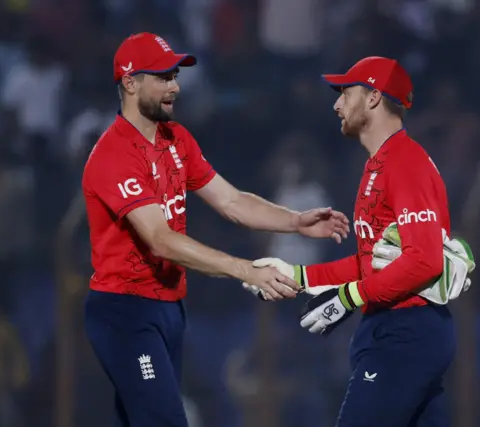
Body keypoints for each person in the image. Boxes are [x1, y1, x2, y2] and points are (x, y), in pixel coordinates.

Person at [81, 32, 350, 427]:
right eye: (162, 77)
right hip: (126, 312)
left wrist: (294, 221)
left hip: (168, 307)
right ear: (129, 83)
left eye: (174, 76)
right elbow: (159, 239)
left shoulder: (176, 140)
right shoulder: (114, 155)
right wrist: (245, 269)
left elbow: (232, 201)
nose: (174, 86)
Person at [248, 57, 455, 426]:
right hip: (398, 328)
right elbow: (371, 263)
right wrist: (297, 276)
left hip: (404, 331)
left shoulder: (405, 162)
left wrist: (350, 297)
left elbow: (425, 261)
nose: (336, 104)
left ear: (374, 98)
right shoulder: (378, 166)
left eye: (346, 93)